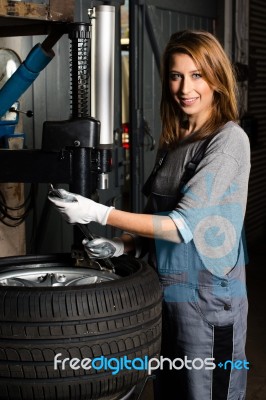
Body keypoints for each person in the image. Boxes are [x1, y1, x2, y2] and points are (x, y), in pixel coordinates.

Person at [49, 30, 250, 400]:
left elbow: (182, 225)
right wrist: (121, 246)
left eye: (197, 75)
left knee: (208, 393)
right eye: (176, 75)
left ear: (217, 79)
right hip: (165, 293)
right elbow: (157, 222)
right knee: (170, 390)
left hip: (208, 302)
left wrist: (99, 212)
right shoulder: (175, 141)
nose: (185, 87)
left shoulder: (227, 140)